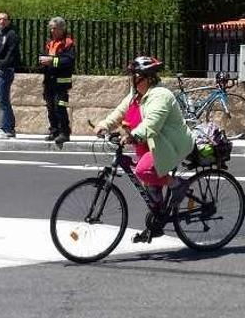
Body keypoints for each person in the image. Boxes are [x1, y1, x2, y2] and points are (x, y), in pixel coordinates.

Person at [95, 56, 196, 243]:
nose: (132, 80)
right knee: (151, 189)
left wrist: (133, 135)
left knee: (143, 170)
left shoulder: (161, 95)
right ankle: (157, 223)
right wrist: (104, 125)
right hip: (150, 145)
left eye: (135, 76)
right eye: (132, 76)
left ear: (148, 78)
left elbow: (152, 124)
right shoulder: (135, 94)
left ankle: (178, 185)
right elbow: (119, 113)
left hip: (170, 145)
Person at [39, 17, 75, 146]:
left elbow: (68, 60)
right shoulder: (50, 43)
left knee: (60, 106)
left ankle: (64, 132)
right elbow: (44, 56)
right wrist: (42, 60)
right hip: (49, 81)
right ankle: (54, 130)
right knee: (50, 107)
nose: (52, 30)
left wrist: (52, 61)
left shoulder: (68, 43)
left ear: (61, 28)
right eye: (51, 28)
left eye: (54, 28)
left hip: (61, 83)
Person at [0, 12, 20, 139]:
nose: (2, 21)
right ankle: (10, 128)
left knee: (3, 100)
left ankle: (5, 128)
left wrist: (1, 67)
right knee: (3, 100)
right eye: (0, 19)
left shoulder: (11, 34)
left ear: (9, 21)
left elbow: (11, 53)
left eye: (4, 19)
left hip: (6, 70)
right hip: (0, 70)